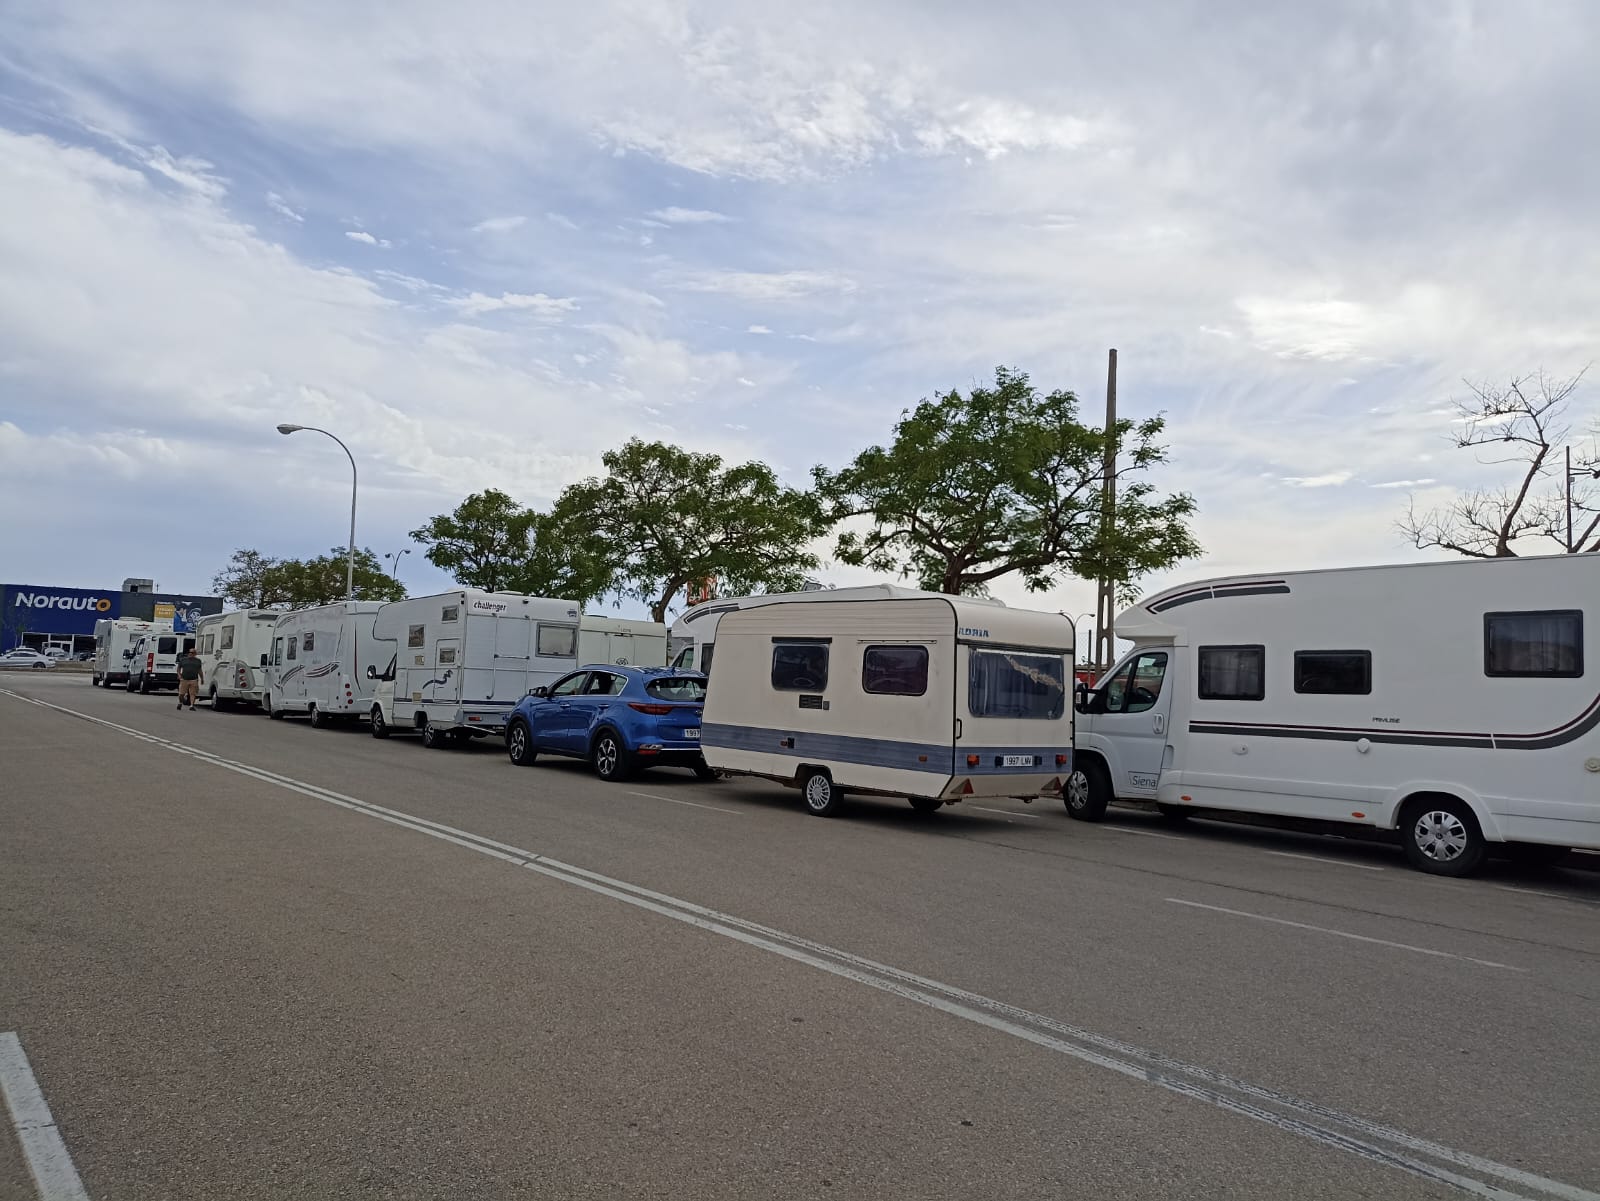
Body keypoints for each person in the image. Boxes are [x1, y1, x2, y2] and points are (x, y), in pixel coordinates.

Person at [176, 643, 203, 711]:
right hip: (184, 679)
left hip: (194, 679)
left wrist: (202, 678)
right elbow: (178, 668)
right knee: (181, 694)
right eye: (190, 652)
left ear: (195, 654)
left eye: (193, 652)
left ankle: (191, 705)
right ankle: (180, 703)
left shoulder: (198, 661)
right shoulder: (183, 660)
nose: (191, 653)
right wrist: (179, 675)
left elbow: (199, 670)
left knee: (192, 693)